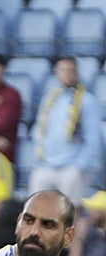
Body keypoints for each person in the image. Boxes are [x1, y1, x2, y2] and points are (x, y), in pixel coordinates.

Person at [28, 58, 102, 207]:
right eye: (62, 70)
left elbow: (93, 138)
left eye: (70, 70)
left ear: (77, 73)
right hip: (46, 164)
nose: (67, 74)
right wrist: (40, 157)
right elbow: (39, 131)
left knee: (69, 211)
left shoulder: (87, 101)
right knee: (35, 206)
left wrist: (80, 166)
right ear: (56, 73)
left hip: (72, 165)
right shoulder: (48, 100)